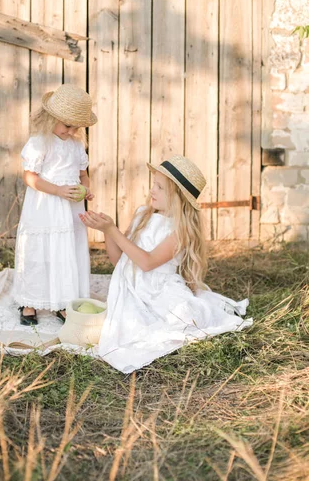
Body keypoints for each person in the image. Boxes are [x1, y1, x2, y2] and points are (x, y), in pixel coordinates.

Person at [79, 155, 252, 373]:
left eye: (160, 187)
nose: (152, 190)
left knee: (182, 318)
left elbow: (148, 263)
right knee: (129, 325)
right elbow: (120, 262)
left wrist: (113, 230)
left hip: (159, 289)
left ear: (178, 197)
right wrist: (107, 233)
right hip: (134, 287)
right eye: (154, 184)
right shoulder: (143, 215)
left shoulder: (180, 231)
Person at [13, 84, 97, 325]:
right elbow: (30, 177)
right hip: (45, 206)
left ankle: (63, 300)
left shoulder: (75, 145)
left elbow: (83, 175)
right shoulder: (39, 142)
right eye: (67, 125)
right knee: (39, 251)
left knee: (66, 251)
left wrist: (87, 190)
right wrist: (58, 190)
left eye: (76, 127)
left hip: (70, 208)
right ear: (51, 118)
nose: (71, 131)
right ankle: (30, 301)